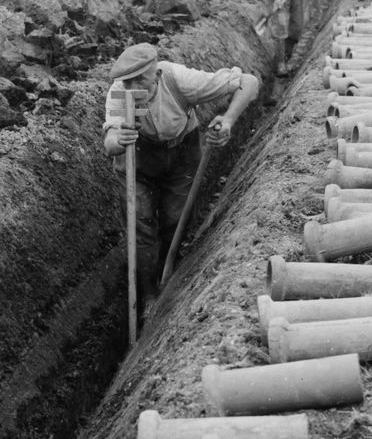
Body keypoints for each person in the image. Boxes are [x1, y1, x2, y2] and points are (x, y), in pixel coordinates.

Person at [102, 42, 260, 309]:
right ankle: (148, 296)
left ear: (157, 74)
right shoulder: (120, 95)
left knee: (175, 220)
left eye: (142, 78)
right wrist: (120, 139)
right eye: (129, 81)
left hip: (181, 156)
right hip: (138, 161)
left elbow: (250, 82)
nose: (135, 87)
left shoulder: (179, 80)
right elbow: (109, 142)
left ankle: (169, 274)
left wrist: (229, 120)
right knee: (140, 228)